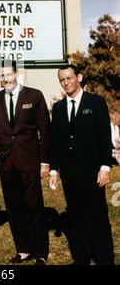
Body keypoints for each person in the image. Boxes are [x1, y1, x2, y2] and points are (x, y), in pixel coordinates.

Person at [49, 64, 114, 265]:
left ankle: (105, 258)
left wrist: (105, 167)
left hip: (93, 173)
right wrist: (53, 170)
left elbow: (105, 137)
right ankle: (81, 258)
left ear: (79, 77)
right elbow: (55, 142)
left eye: (69, 78)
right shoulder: (59, 108)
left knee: (97, 217)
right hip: (70, 175)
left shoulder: (96, 103)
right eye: (62, 80)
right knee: (75, 218)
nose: (66, 83)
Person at [0, 60, 50, 265]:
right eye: (2, 75)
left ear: (17, 73)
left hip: (29, 161)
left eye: (8, 74)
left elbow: (45, 131)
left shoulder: (34, 95)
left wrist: (44, 162)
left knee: (34, 207)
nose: (5, 79)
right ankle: (23, 250)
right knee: (14, 208)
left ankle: (40, 253)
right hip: (7, 163)